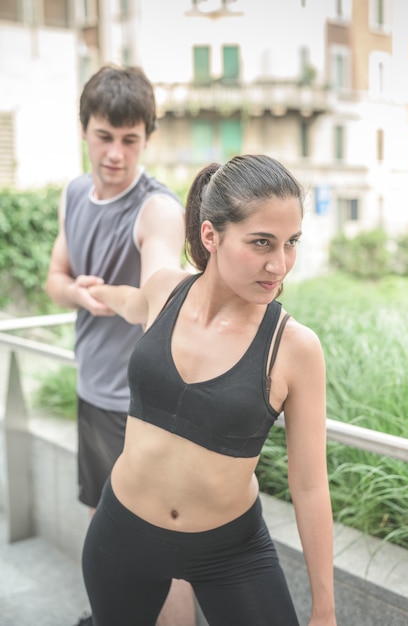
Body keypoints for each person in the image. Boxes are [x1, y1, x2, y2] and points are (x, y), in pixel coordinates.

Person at [82, 154, 337, 626]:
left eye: (290, 243)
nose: (279, 264)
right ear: (210, 235)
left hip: (230, 551)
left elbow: (309, 485)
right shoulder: (165, 291)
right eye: (262, 242)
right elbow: (131, 303)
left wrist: (324, 609)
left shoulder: (295, 347)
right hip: (121, 534)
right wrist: (96, 292)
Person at [46, 65, 196, 626]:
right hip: (93, 391)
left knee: (162, 550)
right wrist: (80, 296)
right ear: (85, 130)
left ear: (146, 140)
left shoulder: (156, 208)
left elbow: (161, 286)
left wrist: (124, 292)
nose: (115, 153)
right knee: (103, 524)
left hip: (141, 408)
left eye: (130, 140)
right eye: (105, 136)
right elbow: (56, 277)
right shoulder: (73, 194)